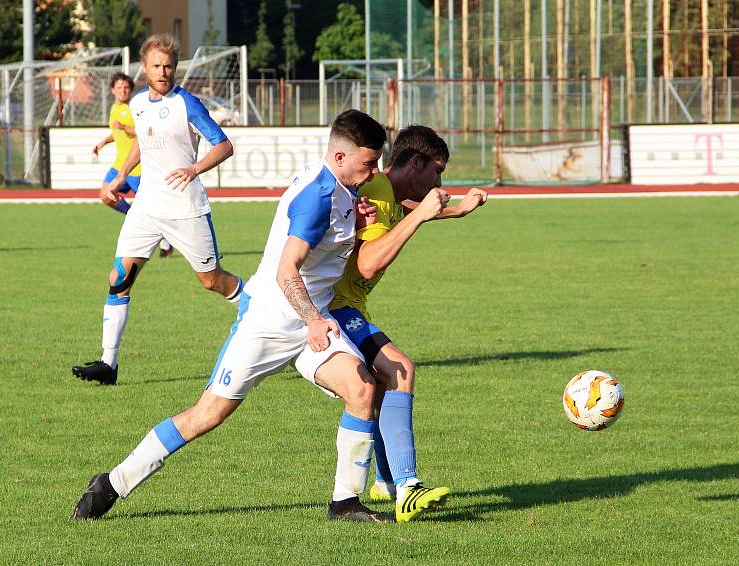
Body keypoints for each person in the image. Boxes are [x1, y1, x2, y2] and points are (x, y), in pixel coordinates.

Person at [70, 109, 392, 523]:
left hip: (310, 323)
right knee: (208, 414)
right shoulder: (318, 196)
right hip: (270, 323)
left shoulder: (340, 185)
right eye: (369, 163)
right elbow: (286, 269)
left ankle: (345, 503)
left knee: (363, 388)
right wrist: (313, 318)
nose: (375, 172)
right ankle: (113, 482)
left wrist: (357, 222)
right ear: (341, 158)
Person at [329, 125, 488, 522]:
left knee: (383, 387)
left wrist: (455, 210)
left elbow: (413, 210)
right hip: (332, 309)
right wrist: (424, 216)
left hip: (345, 307)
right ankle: (407, 487)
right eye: (437, 172)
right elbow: (367, 264)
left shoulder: (391, 194)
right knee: (399, 368)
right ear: (415, 162)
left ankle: (386, 480)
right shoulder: (379, 194)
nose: (439, 182)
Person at [71, 33, 243, 386]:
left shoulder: (187, 104)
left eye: (169, 66)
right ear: (144, 68)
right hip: (146, 208)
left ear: (175, 68)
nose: (163, 72)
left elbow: (223, 145)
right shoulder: (137, 103)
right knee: (119, 278)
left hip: (185, 207)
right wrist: (120, 175)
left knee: (211, 281)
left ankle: (265, 313)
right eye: (156, 66)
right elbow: (141, 142)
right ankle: (108, 364)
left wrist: (194, 169)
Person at [92, 72, 174, 258]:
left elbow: (143, 131)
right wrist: (103, 142)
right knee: (105, 196)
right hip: (119, 165)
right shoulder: (115, 108)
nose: (123, 90)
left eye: (126, 87)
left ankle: (165, 238)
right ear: (113, 90)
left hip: (136, 167)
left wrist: (124, 127)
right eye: (119, 87)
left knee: (152, 206)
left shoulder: (135, 108)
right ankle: (134, 216)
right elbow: (117, 131)